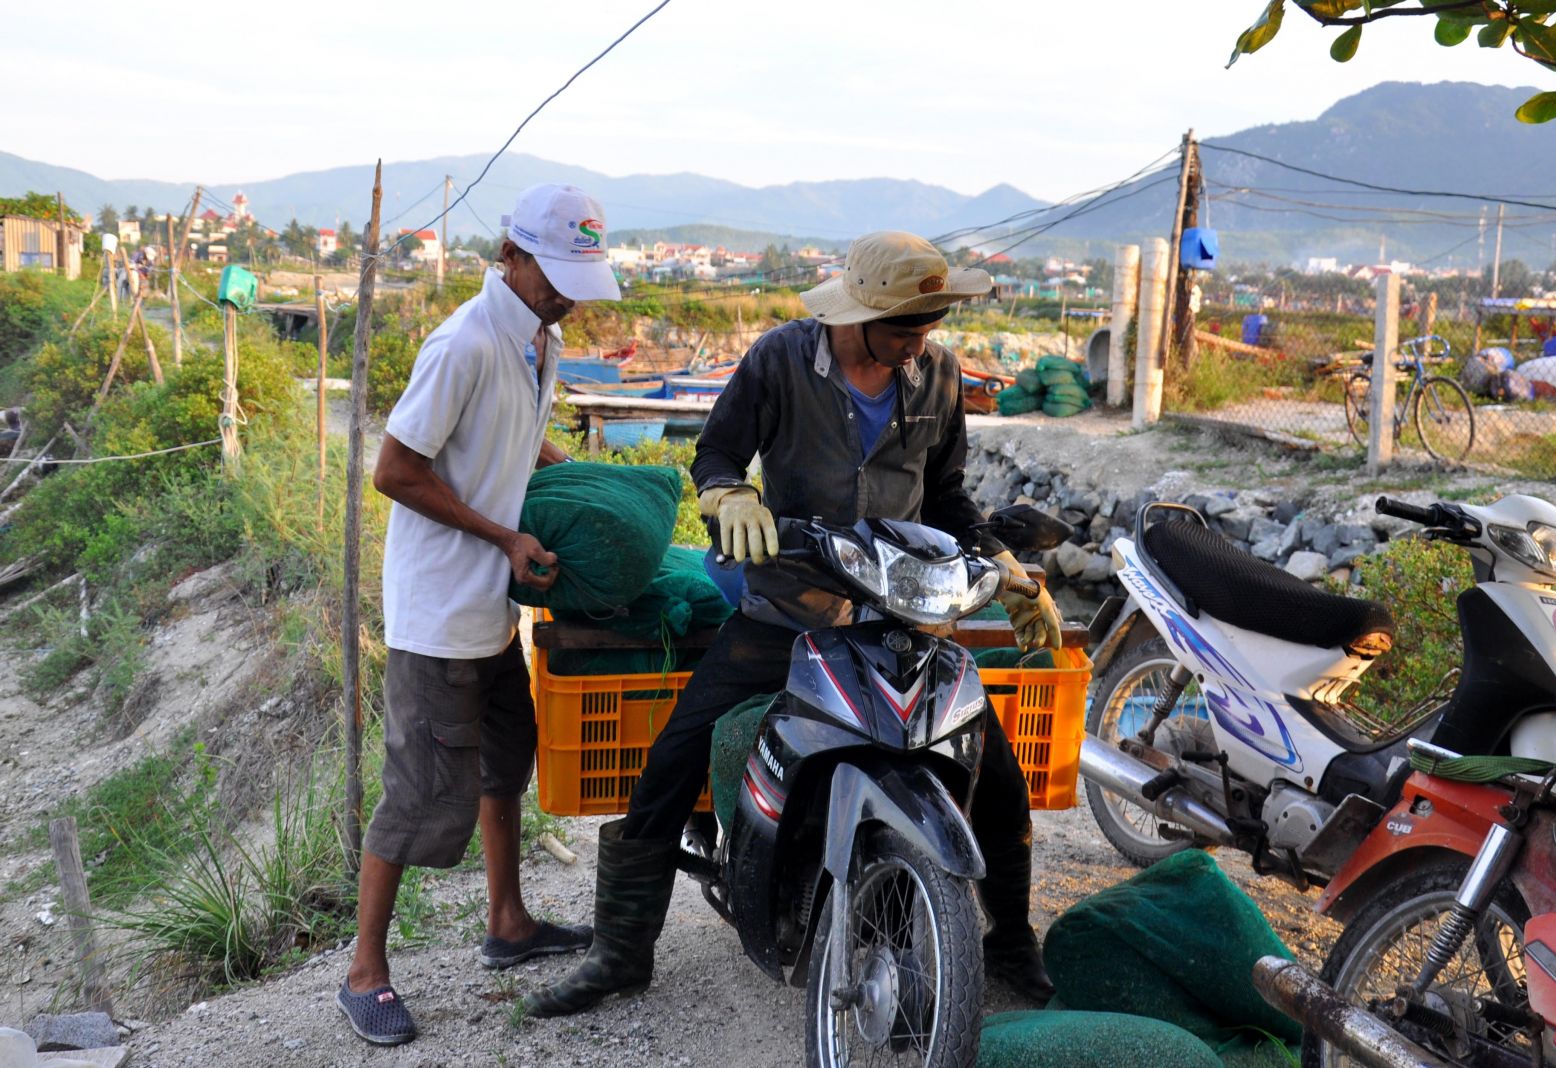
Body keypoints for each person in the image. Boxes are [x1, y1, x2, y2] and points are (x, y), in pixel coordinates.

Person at [526, 231, 1063, 1019]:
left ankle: (1009, 940)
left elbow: (944, 494)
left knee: (996, 772)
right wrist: (730, 495)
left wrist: (998, 560)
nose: (922, 345)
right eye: (909, 329)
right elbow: (715, 453)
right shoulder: (779, 359)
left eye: (929, 329)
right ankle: (620, 953)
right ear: (861, 316)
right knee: (675, 758)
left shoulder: (937, 373)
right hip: (788, 608)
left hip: (902, 613)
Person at [338, 184, 622, 1046]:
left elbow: (515, 432)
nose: (568, 292)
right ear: (513, 256)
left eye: (580, 276)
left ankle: (508, 923)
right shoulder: (464, 341)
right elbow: (394, 469)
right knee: (419, 793)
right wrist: (502, 535)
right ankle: (364, 974)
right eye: (557, 274)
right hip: (439, 612)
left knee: (507, 760)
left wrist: (577, 476)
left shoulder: (542, 338)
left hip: (493, 605)